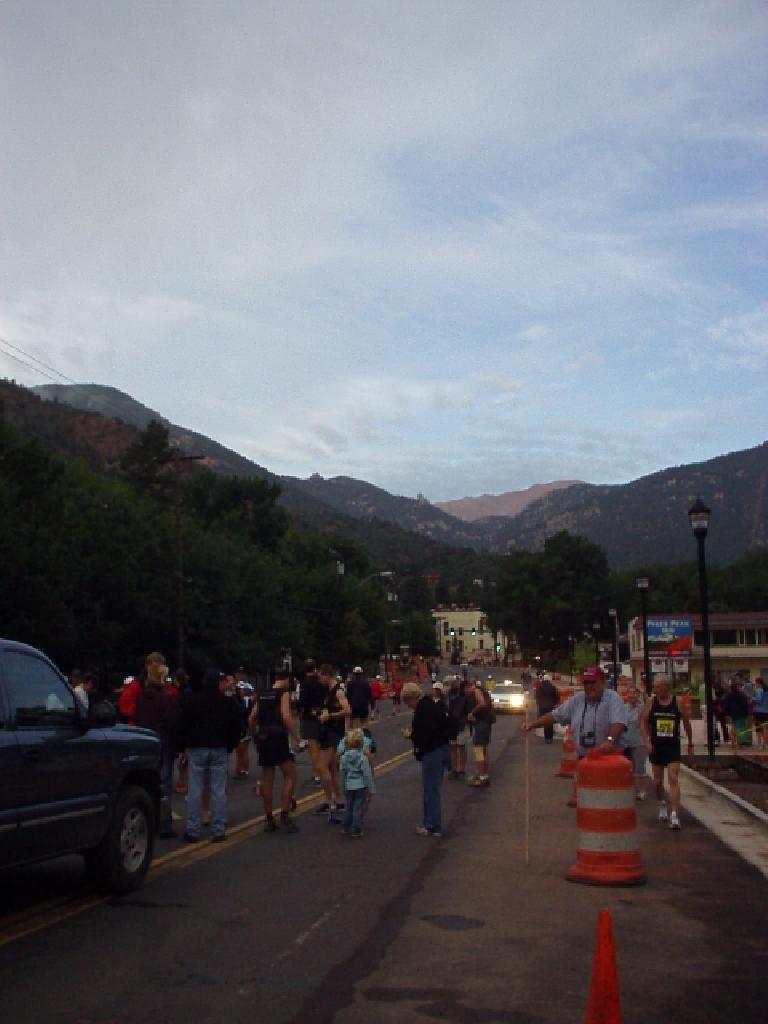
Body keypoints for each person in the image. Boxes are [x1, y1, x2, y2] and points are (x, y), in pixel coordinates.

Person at [180, 669, 243, 843]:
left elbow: (183, 723)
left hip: (197, 747)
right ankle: (218, 829)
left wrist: (185, 745)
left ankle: (192, 829)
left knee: (195, 789)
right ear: (218, 683)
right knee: (218, 790)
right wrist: (230, 745)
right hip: (219, 747)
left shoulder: (193, 701)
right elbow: (236, 725)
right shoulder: (227, 702)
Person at [522, 665, 628, 758]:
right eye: (586, 683)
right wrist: (533, 724)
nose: (588, 686)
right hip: (585, 757)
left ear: (603, 682)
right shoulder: (578, 699)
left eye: (592, 682)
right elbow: (556, 715)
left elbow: (618, 722)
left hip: (610, 758)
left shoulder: (613, 698)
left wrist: (609, 739)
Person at [249, 667, 300, 833]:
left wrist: (255, 734)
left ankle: (269, 817)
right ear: (287, 679)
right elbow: (286, 716)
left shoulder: (263, 693)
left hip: (263, 735)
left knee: (267, 777)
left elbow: (251, 717)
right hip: (277, 735)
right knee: (290, 775)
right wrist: (297, 738)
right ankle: (284, 813)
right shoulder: (283, 694)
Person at [135, 657, 182, 838]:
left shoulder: (142, 698)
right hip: (163, 745)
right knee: (164, 786)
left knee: (148, 785)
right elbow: (174, 723)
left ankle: (149, 821)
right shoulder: (166, 699)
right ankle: (164, 823)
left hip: (146, 743)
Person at [640, 675, 693, 830]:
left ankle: (675, 814)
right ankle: (661, 803)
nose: (655, 689)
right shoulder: (652, 702)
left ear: (666, 687)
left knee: (673, 778)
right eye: (654, 686)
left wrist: (690, 744)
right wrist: (647, 741)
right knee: (657, 782)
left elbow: (687, 723)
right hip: (656, 746)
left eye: (658, 687)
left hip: (672, 745)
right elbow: (643, 721)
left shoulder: (678, 702)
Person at [401, 681, 452, 837]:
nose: (409, 706)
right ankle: (431, 822)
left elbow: (426, 734)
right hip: (442, 748)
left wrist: (411, 735)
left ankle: (432, 825)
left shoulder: (423, 710)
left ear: (411, 698)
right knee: (433, 789)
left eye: (408, 702)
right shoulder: (431, 705)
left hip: (432, 752)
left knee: (431, 790)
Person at [316, 663, 351, 824]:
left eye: (320, 676)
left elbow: (347, 710)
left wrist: (329, 716)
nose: (319, 679)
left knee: (322, 766)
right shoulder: (328, 692)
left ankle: (330, 801)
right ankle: (339, 799)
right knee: (331, 768)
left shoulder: (337, 691)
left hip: (333, 733)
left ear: (326, 675)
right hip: (328, 732)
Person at [339, 727, 376, 837]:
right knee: (358, 807)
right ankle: (356, 829)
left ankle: (345, 826)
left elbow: (342, 773)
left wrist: (343, 787)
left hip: (349, 785)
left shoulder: (344, 758)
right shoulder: (362, 758)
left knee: (349, 806)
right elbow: (367, 774)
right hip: (360, 786)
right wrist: (371, 787)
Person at [297, 658, 325, 786]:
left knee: (313, 750)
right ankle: (322, 772)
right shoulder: (321, 681)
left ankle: (318, 776)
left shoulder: (304, 683)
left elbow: (302, 702)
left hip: (309, 718)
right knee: (321, 748)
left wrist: (300, 714)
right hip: (322, 716)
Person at [466, 678, 495, 787]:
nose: (466, 694)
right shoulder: (482, 690)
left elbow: (482, 703)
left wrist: (472, 713)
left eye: (466, 690)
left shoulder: (476, 691)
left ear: (469, 687)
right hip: (486, 722)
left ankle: (482, 775)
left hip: (482, 723)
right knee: (483, 748)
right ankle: (484, 774)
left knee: (478, 748)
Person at [624, 686, 649, 801]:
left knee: (640, 768)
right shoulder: (624, 708)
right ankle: (632, 790)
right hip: (626, 743)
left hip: (639, 742)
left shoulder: (641, 708)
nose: (632, 695)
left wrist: (644, 695)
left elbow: (649, 706)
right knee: (629, 769)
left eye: (634, 693)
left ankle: (642, 790)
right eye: (630, 693)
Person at [446, 676, 472, 780]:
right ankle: (454, 769)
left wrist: (466, 720)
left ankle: (461, 769)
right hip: (452, 724)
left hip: (461, 723)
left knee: (461, 747)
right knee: (453, 747)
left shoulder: (463, 694)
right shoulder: (449, 695)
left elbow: (468, 708)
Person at [722, 677, 752, 750]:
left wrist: (726, 714)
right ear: (737, 688)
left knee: (733, 727)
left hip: (732, 714)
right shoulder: (742, 696)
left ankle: (733, 743)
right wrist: (747, 714)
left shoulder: (729, 696)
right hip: (740, 715)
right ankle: (738, 744)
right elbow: (746, 705)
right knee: (740, 729)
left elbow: (726, 705)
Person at [534, 674, 559, 743]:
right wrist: (554, 702)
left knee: (545, 721)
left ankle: (546, 738)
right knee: (550, 721)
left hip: (542, 707)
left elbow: (537, 696)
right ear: (549, 680)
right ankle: (550, 738)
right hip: (550, 706)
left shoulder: (540, 687)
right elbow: (556, 696)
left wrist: (539, 704)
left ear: (544, 679)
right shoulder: (552, 687)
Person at [752, 678, 768, 751]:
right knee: (765, 729)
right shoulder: (766, 691)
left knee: (758, 729)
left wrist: (751, 697)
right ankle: (765, 745)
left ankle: (759, 745)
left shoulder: (759, 690)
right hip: (766, 712)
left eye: (755, 683)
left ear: (758, 683)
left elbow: (758, 700)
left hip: (759, 712)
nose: (755, 685)